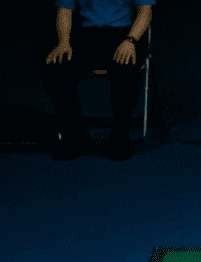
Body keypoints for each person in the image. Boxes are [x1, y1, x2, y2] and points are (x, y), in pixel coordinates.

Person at [43, 0, 154, 160]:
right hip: (86, 35)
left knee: (126, 68)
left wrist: (130, 40)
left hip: (124, 34)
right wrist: (64, 42)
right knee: (57, 68)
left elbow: (145, 11)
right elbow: (64, 10)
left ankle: (120, 137)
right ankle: (74, 136)